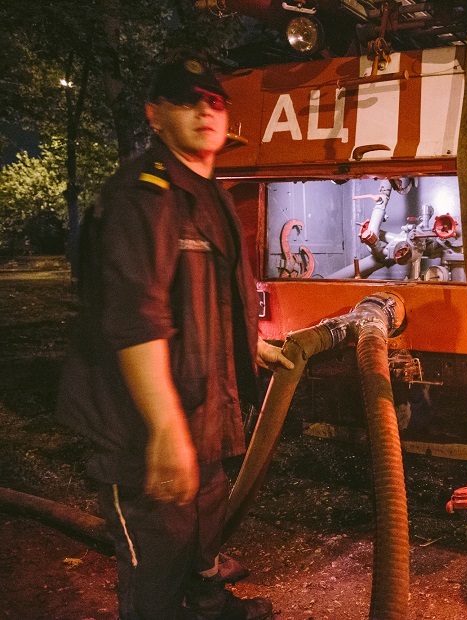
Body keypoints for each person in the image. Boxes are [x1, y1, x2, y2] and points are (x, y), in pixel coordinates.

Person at [57, 56, 294, 620]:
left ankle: (210, 607)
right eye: (187, 100)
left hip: (204, 416)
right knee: (156, 566)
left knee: (203, 535)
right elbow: (134, 316)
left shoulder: (209, 195)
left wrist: (248, 345)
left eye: (214, 100)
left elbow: (210, 296)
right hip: (144, 429)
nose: (205, 110)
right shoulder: (141, 195)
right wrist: (165, 426)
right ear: (155, 116)